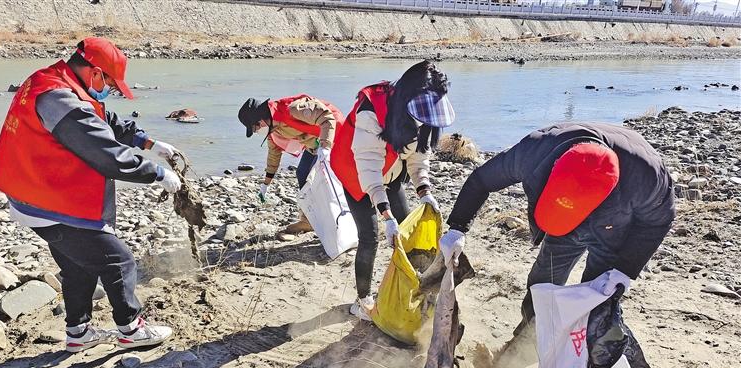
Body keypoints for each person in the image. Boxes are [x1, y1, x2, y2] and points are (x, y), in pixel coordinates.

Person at [0, 37, 182, 353]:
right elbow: (107, 155)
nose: (110, 91)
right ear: (95, 73)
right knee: (119, 261)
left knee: (78, 266)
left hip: (36, 192)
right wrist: (157, 173)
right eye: (111, 84)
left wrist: (146, 142)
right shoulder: (61, 101)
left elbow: (101, 118)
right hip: (47, 201)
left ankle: (78, 333)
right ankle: (131, 330)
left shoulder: (54, 80)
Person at [439, 122, 676, 338]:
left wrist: (625, 270)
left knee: (595, 298)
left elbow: (657, 222)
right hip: (562, 227)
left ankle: (581, 349)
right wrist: (457, 228)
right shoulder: (534, 152)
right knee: (542, 284)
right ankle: (526, 340)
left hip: (612, 226)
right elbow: (482, 180)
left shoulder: (646, 177)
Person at [330, 60, 455, 320]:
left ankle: (408, 289)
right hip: (356, 172)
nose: (423, 121)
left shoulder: (423, 112)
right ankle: (362, 301)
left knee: (407, 229)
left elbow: (418, 157)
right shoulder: (371, 110)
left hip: (391, 169)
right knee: (370, 237)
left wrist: (425, 191)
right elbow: (369, 169)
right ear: (407, 98)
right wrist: (386, 217)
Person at [238, 94, 344, 237]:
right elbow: (273, 156)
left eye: (255, 128)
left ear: (260, 121)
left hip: (335, 136)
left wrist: (326, 148)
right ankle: (308, 220)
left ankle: (339, 217)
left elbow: (327, 118)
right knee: (302, 173)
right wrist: (265, 184)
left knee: (324, 179)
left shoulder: (293, 109)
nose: (257, 132)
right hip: (314, 145)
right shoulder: (273, 130)